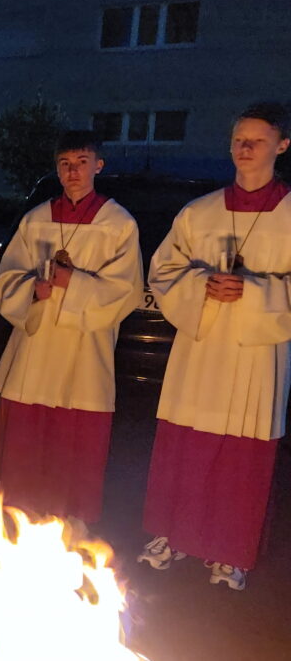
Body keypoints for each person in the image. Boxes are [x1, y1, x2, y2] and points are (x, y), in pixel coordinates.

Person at [136, 102, 291, 591]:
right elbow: (161, 271)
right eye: (238, 139)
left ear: (282, 146)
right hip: (200, 352)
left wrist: (257, 291)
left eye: (257, 140)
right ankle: (171, 534)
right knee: (185, 446)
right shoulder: (198, 212)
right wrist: (200, 284)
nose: (244, 149)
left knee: (242, 457)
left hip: (255, 356)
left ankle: (229, 551)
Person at [0, 130, 142, 524]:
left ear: (98, 165)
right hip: (35, 350)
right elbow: (7, 279)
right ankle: (19, 521)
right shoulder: (36, 219)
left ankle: (70, 523)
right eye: (65, 164)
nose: (73, 171)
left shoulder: (118, 223)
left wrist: (71, 283)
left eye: (81, 162)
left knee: (73, 442)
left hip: (83, 352)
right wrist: (33, 291)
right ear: (57, 169)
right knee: (26, 442)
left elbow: (126, 291)